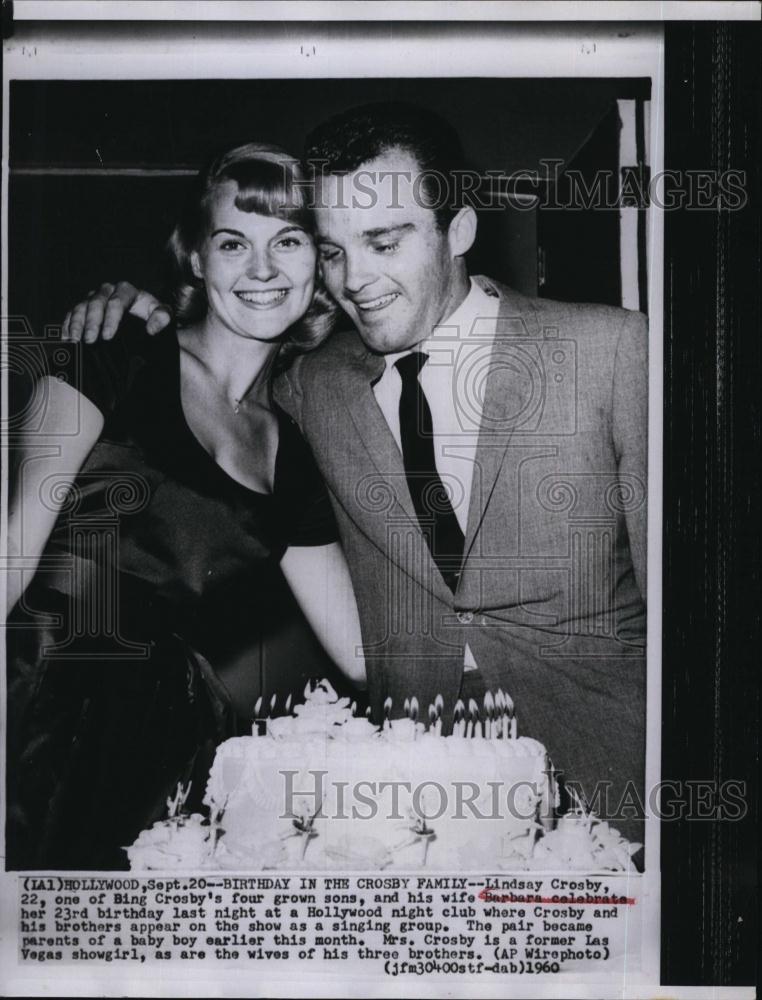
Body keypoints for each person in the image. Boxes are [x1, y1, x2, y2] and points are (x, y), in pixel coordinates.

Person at [59, 103, 648, 843]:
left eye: (383, 241)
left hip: (614, 778)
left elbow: (693, 613)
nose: (354, 280)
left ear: (458, 230)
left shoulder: (613, 349)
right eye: (333, 251)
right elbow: (208, 378)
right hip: (417, 803)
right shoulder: (313, 384)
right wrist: (130, 312)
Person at [5, 142, 365, 869]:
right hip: (33, 703)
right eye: (234, 243)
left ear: (320, 264)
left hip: (160, 738)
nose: (262, 271)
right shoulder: (109, 356)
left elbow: (363, 654)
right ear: (197, 260)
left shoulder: (291, 451)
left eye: (288, 242)